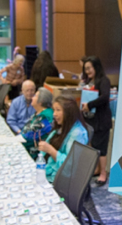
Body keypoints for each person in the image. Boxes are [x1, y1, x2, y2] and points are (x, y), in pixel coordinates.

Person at [37, 95, 89, 182]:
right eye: (54, 110)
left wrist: (50, 150)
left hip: (60, 180)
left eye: (58, 110)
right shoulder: (61, 127)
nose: (54, 114)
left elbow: (70, 165)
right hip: (48, 171)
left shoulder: (77, 133)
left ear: (68, 112)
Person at [82, 56, 112, 186]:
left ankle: (103, 174)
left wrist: (89, 104)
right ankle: (97, 169)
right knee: (94, 145)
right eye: (85, 69)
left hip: (102, 120)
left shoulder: (104, 80)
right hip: (92, 120)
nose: (87, 71)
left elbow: (105, 97)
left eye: (89, 68)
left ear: (96, 67)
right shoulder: (89, 81)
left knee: (102, 148)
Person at [20, 87, 54, 158]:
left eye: (35, 96)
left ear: (40, 101)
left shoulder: (45, 117)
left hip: (35, 155)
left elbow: (27, 137)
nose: (32, 97)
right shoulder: (39, 113)